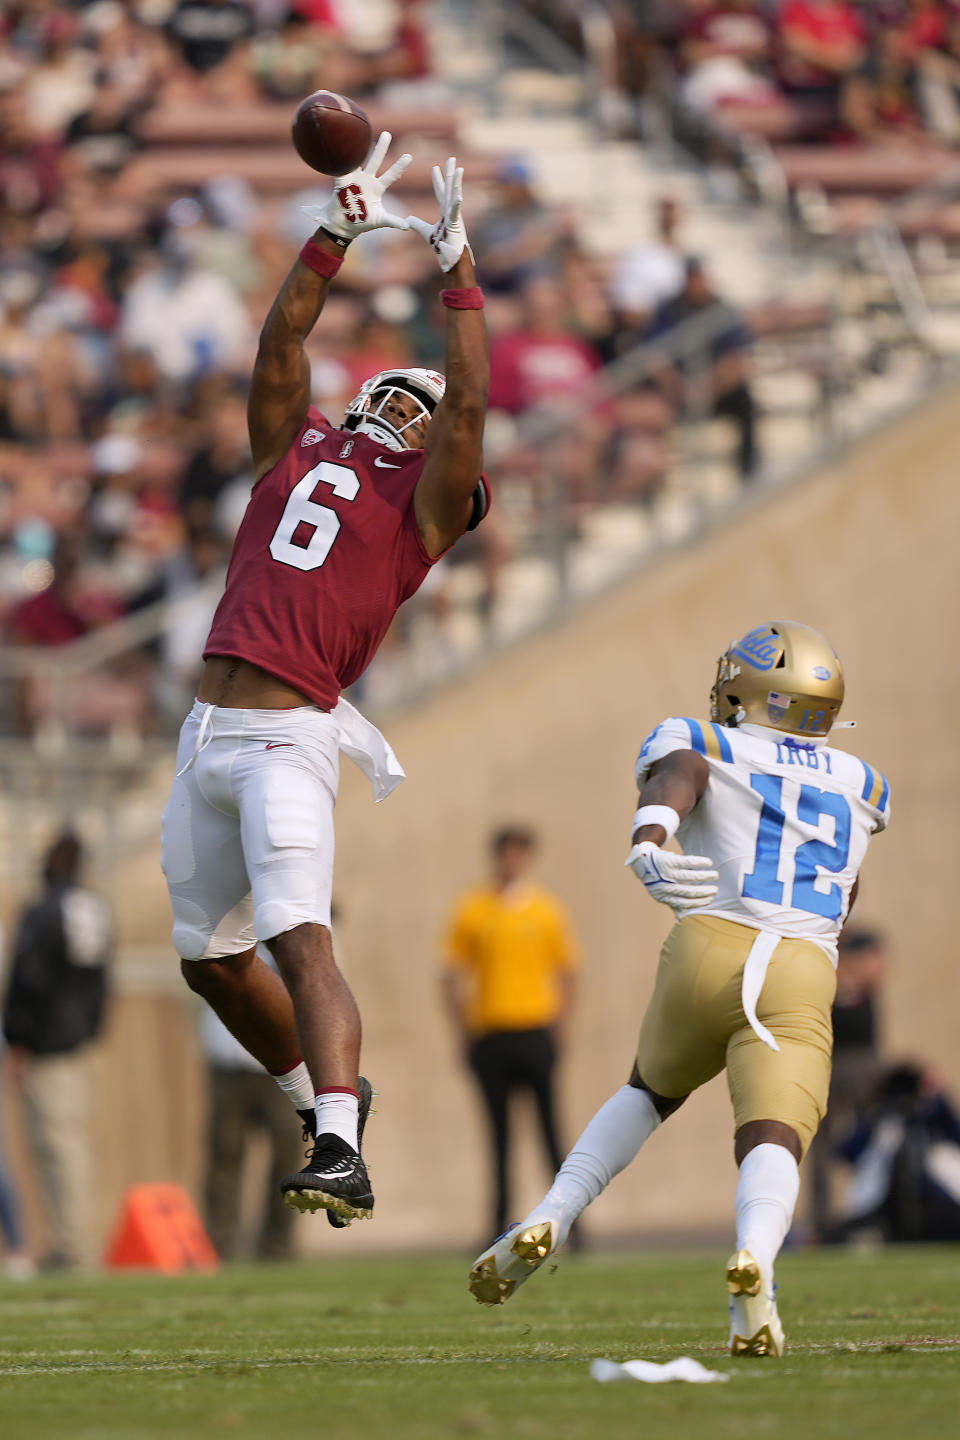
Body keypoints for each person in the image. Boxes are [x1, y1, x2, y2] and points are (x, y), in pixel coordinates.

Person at [161, 135, 490, 1228]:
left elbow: (475, 416)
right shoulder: (293, 450)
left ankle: (342, 1149)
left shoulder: (423, 510)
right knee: (208, 962)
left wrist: (459, 283)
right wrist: (336, 231)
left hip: (289, 738)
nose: (407, 409)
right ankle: (326, 1103)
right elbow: (278, 348)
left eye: (424, 407)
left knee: (302, 936)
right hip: (204, 730)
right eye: (399, 393)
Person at [469, 620, 891, 1359]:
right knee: (775, 1131)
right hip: (800, 964)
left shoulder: (706, 738)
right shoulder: (862, 782)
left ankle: (551, 1214)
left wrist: (648, 839)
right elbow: (846, 892)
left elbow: (682, 773)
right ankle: (755, 1258)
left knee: (645, 1092)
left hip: (705, 943)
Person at [441, 826, 580, 1241]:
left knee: (551, 1133)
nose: (511, 862)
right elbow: (450, 972)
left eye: (519, 854)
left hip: (535, 1031)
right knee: (498, 1138)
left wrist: (562, 1026)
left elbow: (567, 971)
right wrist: (462, 1029)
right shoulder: (474, 908)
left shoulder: (545, 910)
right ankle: (496, 1227)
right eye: (505, 854)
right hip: (491, 1035)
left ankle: (570, 1223)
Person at [2, 831, 113, 1270]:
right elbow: (102, 979)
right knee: (71, 1143)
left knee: (56, 1145)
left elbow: (27, 980)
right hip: (76, 1041)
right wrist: (89, 1029)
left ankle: (73, 1247)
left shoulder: (44, 910)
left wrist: (19, 1040)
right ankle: (74, 1240)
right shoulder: (94, 909)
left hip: (46, 1045)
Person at [200, 985, 302, 1261]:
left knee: (286, 1152)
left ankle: (278, 1246)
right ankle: (218, 1247)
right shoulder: (218, 939)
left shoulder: (296, 941)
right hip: (227, 1060)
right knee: (225, 1153)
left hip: (283, 1064)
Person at [809, 923, 889, 1238]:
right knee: (820, 1142)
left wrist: (850, 967)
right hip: (829, 1058)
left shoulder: (862, 940)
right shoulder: (817, 943)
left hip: (864, 1059)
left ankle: (871, 1209)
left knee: (873, 1135)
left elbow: (875, 968)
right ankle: (821, 1219)